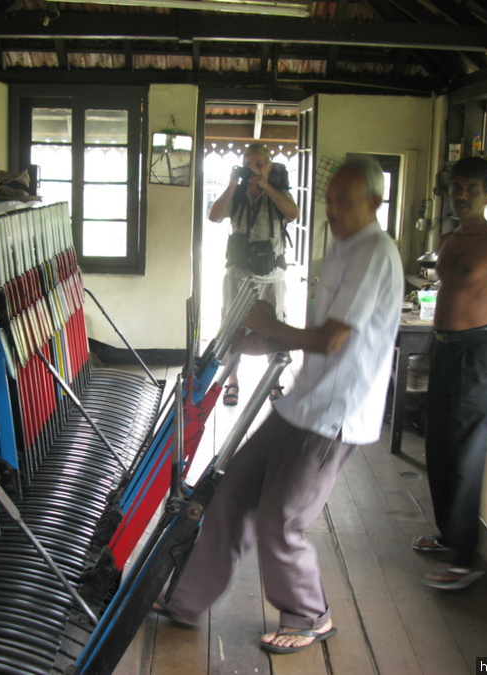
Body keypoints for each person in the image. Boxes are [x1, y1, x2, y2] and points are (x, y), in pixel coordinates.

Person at [155, 157, 404, 653]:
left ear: (375, 204)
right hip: (302, 403)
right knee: (233, 492)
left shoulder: (375, 253)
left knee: (280, 519)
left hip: (337, 413)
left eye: (345, 201)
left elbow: (333, 340)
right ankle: (186, 599)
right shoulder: (340, 250)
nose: (332, 209)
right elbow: (316, 334)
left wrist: (270, 328)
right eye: (330, 199)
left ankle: (310, 615)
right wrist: (260, 343)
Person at [412, 156, 487, 590]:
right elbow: (446, 300)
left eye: (471, 190)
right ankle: (448, 535)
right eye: (456, 188)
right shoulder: (448, 239)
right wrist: (426, 357)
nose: (461, 196)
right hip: (443, 349)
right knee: (437, 445)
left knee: (465, 450)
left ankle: (465, 558)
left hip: (478, 352)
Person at [207, 144, 299, 406]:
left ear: (269, 166)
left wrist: (267, 185)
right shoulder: (236, 194)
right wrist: (233, 184)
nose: (253, 169)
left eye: (259, 164)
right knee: (232, 328)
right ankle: (232, 381)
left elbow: (293, 213)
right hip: (238, 275)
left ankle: (274, 382)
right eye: (249, 164)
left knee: (277, 328)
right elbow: (214, 216)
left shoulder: (278, 192)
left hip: (272, 277)